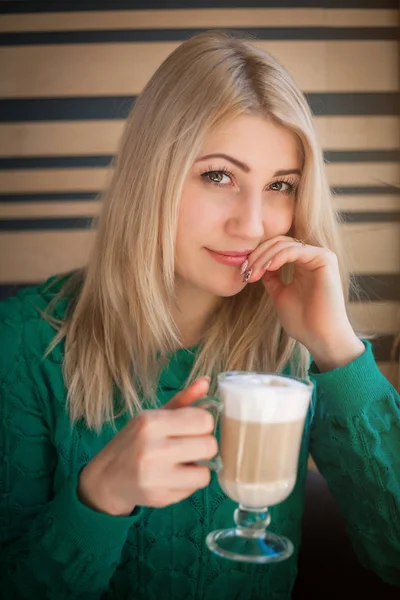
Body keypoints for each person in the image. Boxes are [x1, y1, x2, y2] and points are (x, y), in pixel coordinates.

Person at [0, 30, 399, 600]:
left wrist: (337, 347)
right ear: (152, 176)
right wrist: (99, 499)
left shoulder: (298, 344)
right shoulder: (22, 344)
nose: (255, 224)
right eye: (219, 176)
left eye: (281, 185)